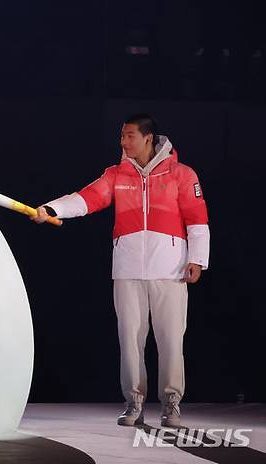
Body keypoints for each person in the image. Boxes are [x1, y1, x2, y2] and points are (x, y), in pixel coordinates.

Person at [32, 114, 209, 428]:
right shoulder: (116, 174)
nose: (123, 142)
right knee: (129, 339)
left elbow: (197, 220)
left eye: (129, 136)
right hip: (127, 270)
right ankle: (134, 403)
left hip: (171, 270)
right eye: (122, 136)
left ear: (148, 138)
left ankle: (171, 406)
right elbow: (87, 198)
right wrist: (52, 209)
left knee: (170, 340)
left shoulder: (182, 174)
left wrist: (197, 259)